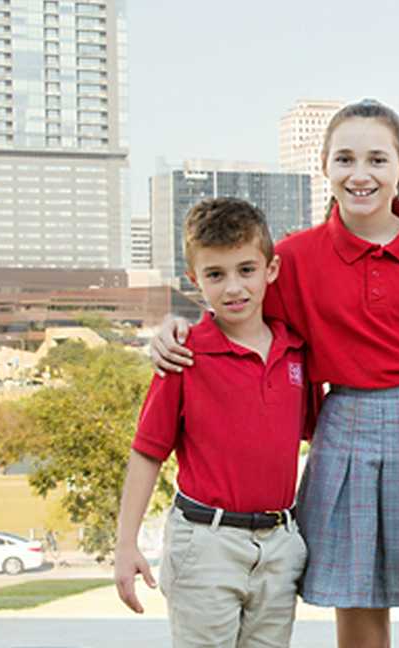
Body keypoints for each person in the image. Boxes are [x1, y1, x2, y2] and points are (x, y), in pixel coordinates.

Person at [149, 100, 399, 648]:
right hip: (348, 428)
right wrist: (174, 327)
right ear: (324, 167)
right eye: (345, 159)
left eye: (377, 159)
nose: (360, 174)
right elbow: (235, 307)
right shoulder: (294, 258)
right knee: (358, 605)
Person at [114, 197, 314, 648]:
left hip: (278, 546)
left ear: (271, 270)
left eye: (246, 270)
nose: (233, 288)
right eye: (216, 275)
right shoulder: (184, 353)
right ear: (195, 280)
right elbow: (147, 452)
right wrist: (126, 545)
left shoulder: (295, 351)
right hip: (206, 544)